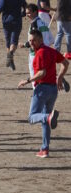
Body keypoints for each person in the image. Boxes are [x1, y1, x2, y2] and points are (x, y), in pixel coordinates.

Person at [18, 29, 68, 158]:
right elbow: (65, 63)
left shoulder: (40, 54)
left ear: (41, 40)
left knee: (32, 117)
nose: (31, 43)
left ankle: (48, 118)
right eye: (30, 40)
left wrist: (27, 81)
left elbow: (42, 73)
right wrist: (60, 77)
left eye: (34, 40)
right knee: (46, 119)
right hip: (53, 90)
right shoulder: (51, 51)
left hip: (42, 89)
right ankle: (45, 149)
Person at [19, 4, 62, 89]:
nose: (27, 15)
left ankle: (37, 93)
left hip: (35, 54)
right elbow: (51, 39)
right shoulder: (44, 23)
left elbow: (33, 40)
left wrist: (24, 45)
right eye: (26, 13)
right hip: (45, 51)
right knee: (45, 74)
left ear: (35, 12)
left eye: (29, 13)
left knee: (35, 74)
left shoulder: (34, 24)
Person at [0, 0, 27, 71]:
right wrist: (24, 13)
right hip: (17, 20)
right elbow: (25, 4)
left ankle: (10, 59)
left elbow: (0, 7)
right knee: (14, 41)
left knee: (8, 41)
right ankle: (11, 54)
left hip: (6, 20)